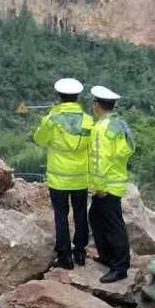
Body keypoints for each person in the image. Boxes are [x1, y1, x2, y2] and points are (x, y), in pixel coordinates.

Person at [32, 77, 92, 269]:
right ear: (77, 98)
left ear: (59, 97)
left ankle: (65, 257)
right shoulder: (89, 121)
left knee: (61, 215)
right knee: (81, 214)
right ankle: (80, 253)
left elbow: (39, 140)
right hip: (81, 177)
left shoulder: (51, 120)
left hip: (59, 178)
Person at [88, 85, 135, 283]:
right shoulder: (119, 124)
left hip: (106, 185)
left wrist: (99, 187)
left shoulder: (101, 128)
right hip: (115, 180)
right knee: (96, 217)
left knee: (113, 225)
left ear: (97, 105)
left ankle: (120, 267)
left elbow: (100, 159)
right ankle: (107, 257)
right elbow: (128, 150)